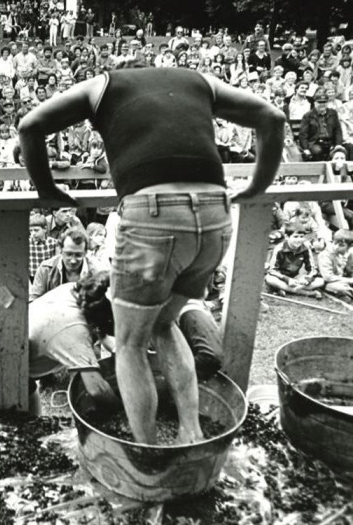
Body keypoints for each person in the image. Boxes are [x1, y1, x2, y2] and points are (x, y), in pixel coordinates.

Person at [18, 63, 285, 444]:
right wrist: (259, 185)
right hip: (214, 213)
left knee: (128, 344)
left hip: (153, 214)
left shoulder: (102, 85)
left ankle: (147, 453)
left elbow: (29, 127)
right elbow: (271, 117)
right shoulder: (198, 80)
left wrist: (46, 189)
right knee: (164, 323)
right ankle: (190, 433)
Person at [0, 272, 121, 415]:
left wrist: (117, 350)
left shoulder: (76, 291)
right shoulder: (73, 330)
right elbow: (97, 389)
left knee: (34, 426)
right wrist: (122, 416)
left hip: (21, 374)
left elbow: (99, 329)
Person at [30, 227, 100, 301]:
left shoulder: (95, 273)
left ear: (85, 253)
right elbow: (34, 302)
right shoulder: (46, 269)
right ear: (61, 250)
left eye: (78, 255)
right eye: (69, 254)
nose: (73, 261)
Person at [265, 222, 325, 299]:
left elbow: (312, 270)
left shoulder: (305, 248)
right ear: (287, 237)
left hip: (295, 277)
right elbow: (272, 270)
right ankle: (307, 293)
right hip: (280, 277)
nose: (299, 240)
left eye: (301, 237)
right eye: (295, 237)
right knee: (269, 279)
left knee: (320, 281)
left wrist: (307, 279)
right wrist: (287, 279)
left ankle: (284, 289)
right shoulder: (279, 248)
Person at [319, 229, 353, 300]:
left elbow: (350, 270)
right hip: (329, 282)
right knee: (340, 288)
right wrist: (349, 280)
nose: (348, 250)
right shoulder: (325, 255)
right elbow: (328, 277)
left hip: (344, 280)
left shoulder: (348, 253)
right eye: (348, 248)